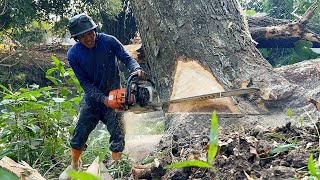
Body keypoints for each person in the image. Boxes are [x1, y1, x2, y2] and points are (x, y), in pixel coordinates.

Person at [59, 13, 147, 179]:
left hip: (114, 93)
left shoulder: (109, 41)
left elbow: (127, 58)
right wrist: (103, 99)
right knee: (80, 133)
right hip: (92, 100)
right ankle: (74, 164)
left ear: (94, 30)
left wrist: (136, 68)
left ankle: (114, 167)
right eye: (82, 36)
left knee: (118, 133)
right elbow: (85, 83)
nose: (88, 38)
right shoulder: (73, 55)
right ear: (76, 38)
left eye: (89, 33)